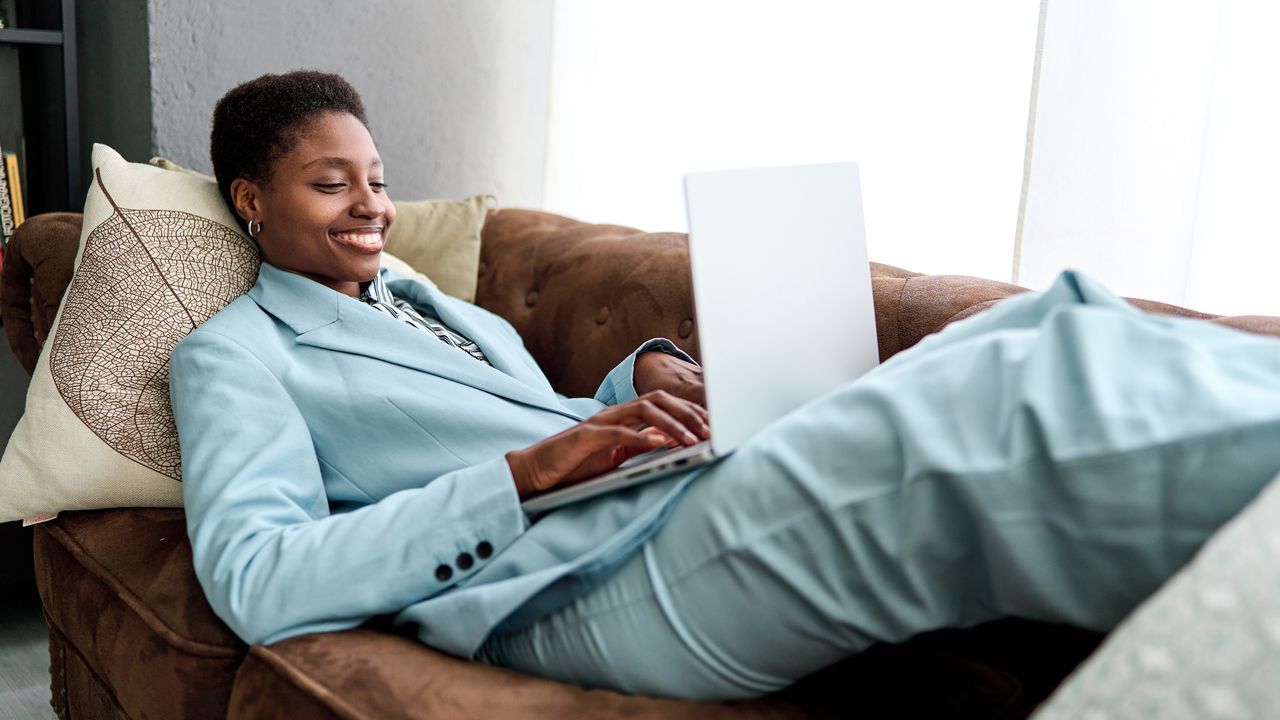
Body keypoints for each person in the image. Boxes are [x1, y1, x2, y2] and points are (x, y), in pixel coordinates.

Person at [170, 70, 1280, 701]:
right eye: (329, 183)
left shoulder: (424, 302)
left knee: (1036, 321)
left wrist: (632, 379)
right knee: (996, 401)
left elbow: (543, 416)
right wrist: (524, 475)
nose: (371, 205)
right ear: (251, 202)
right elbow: (258, 578)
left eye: (376, 179)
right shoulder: (237, 353)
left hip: (652, 498)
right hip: (565, 583)